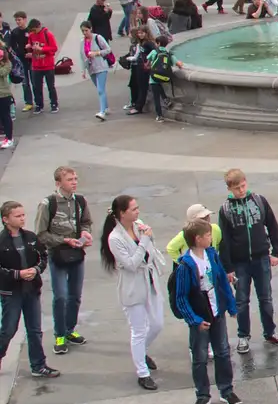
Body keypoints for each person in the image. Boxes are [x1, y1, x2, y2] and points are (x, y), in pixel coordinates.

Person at [173, 219, 242, 404]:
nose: (211, 238)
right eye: (208, 235)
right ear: (198, 239)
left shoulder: (212, 255)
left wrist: (231, 306)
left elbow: (221, 281)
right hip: (200, 316)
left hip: (217, 312)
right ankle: (202, 395)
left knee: (222, 352)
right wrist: (194, 320)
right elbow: (181, 298)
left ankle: (226, 390)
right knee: (200, 357)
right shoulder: (186, 265)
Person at [100, 193, 165, 389]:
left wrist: (149, 238)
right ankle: (142, 372)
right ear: (122, 213)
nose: (138, 211)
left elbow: (151, 253)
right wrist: (145, 241)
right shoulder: (115, 238)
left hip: (149, 281)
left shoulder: (139, 225)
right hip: (131, 287)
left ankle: (140, 352)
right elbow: (130, 264)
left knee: (157, 324)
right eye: (134, 209)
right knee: (138, 330)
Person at [218, 168, 278, 353]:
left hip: (261, 258)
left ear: (246, 183)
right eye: (236, 188)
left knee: (266, 298)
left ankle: (270, 331)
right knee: (241, 300)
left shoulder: (259, 201)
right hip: (239, 263)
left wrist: (276, 252)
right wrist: (228, 267)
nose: (240, 190)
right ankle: (243, 336)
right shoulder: (225, 209)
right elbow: (223, 240)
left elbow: (272, 225)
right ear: (229, 188)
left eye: (242, 186)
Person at [35, 166, 92, 355]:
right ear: (58, 183)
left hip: (76, 253)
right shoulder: (48, 204)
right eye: (70, 180)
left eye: (75, 178)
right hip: (57, 254)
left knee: (74, 295)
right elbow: (41, 234)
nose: (74, 182)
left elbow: (86, 222)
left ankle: (69, 329)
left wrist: (85, 233)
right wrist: (63, 240)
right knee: (60, 296)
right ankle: (59, 334)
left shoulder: (81, 201)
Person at [0, 200, 57, 377]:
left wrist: (35, 270)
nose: (23, 218)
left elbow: (43, 257)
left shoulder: (31, 237)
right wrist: (18, 274)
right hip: (12, 293)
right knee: (9, 329)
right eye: (18, 216)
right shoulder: (1, 242)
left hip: (31, 290)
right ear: (5, 219)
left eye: (23, 215)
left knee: (35, 330)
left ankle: (38, 365)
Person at [25, 18, 59, 114]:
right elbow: (31, 46)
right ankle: (39, 105)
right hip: (36, 65)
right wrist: (29, 49)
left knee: (50, 86)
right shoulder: (31, 35)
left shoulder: (48, 34)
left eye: (34, 30)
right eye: (32, 30)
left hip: (48, 65)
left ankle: (54, 103)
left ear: (39, 27)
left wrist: (42, 49)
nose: (33, 32)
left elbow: (54, 48)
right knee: (36, 87)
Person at [125, 26, 154, 115]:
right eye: (139, 33)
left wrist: (149, 62)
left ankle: (138, 107)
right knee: (140, 86)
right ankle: (137, 105)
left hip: (144, 68)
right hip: (140, 66)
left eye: (142, 33)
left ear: (146, 33)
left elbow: (155, 51)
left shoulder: (148, 43)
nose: (140, 35)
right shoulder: (141, 43)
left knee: (143, 87)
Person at [7, 12, 31, 113]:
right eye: (16, 20)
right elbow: (11, 46)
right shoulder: (15, 32)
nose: (18, 22)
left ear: (25, 19)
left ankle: (39, 101)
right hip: (21, 60)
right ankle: (28, 102)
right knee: (25, 82)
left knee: (35, 82)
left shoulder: (30, 30)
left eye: (19, 20)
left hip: (31, 59)